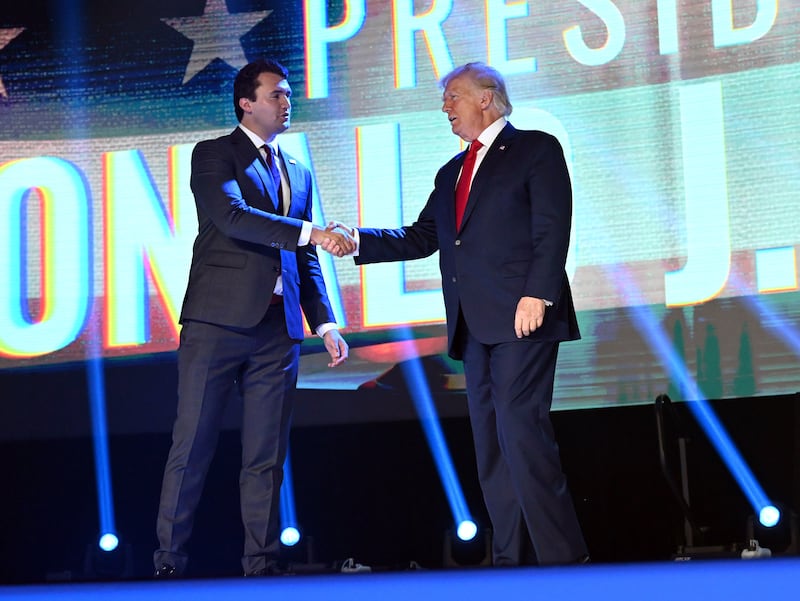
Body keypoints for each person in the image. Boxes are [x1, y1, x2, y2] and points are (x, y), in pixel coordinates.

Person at [327, 62, 588, 566]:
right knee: (491, 447)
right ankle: (511, 563)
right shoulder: (451, 172)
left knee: (521, 434)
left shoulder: (535, 148)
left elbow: (553, 228)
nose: (444, 106)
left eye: (453, 96)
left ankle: (563, 561)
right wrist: (357, 239)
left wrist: (538, 294)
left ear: (487, 98)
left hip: (522, 318)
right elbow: (423, 237)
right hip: (473, 326)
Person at [153, 58, 355, 578]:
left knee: (265, 457)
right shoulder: (214, 155)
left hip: (277, 332)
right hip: (216, 324)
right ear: (247, 102)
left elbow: (303, 260)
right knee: (192, 444)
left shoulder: (300, 172)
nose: (287, 103)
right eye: (277, 95)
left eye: (288, 96)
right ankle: (169, 562)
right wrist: (312, 232)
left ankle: (260, 567)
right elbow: (233, 218)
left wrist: (326, 322)